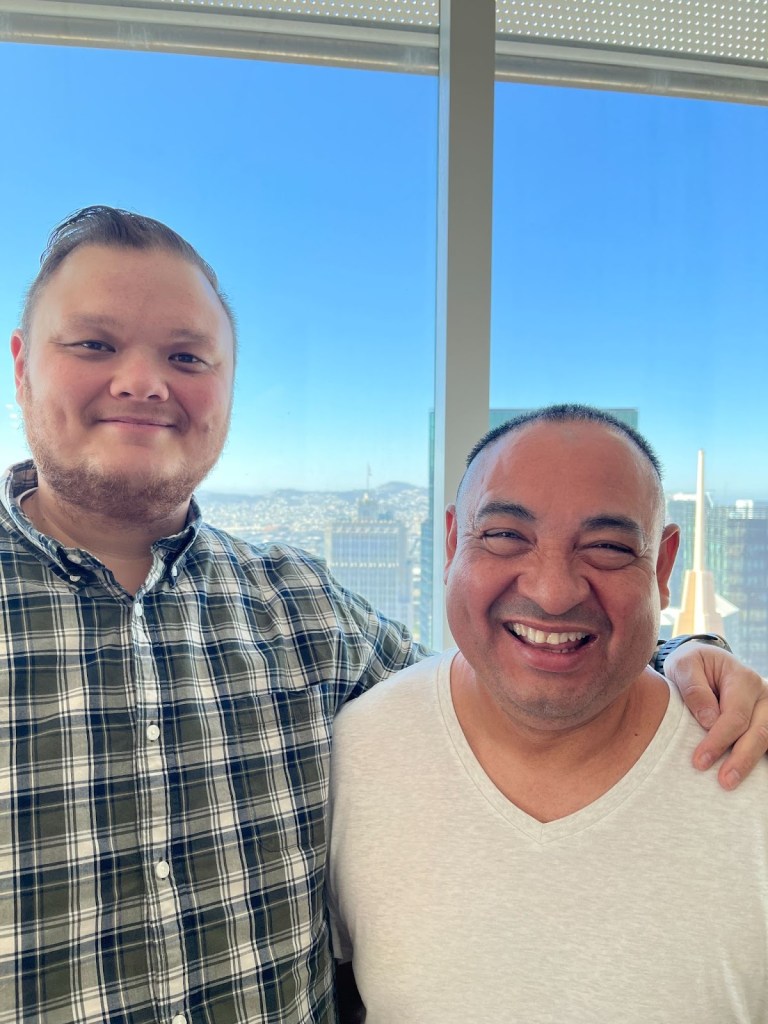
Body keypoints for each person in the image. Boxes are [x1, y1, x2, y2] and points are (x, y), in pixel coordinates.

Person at [0, 210, 764, 1024]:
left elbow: (514, 669)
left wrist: (685, 656)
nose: (143, 382)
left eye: (186, 356)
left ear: (225, 385)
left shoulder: (303, 614)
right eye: (94, 345)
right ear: (20, 365)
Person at [327, 405, 768, 1023]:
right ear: (454, 543)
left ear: (662, 568)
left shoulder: (751, 766)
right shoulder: (352, 759)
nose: (553, 591)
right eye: (507, 536)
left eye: (609, 547)